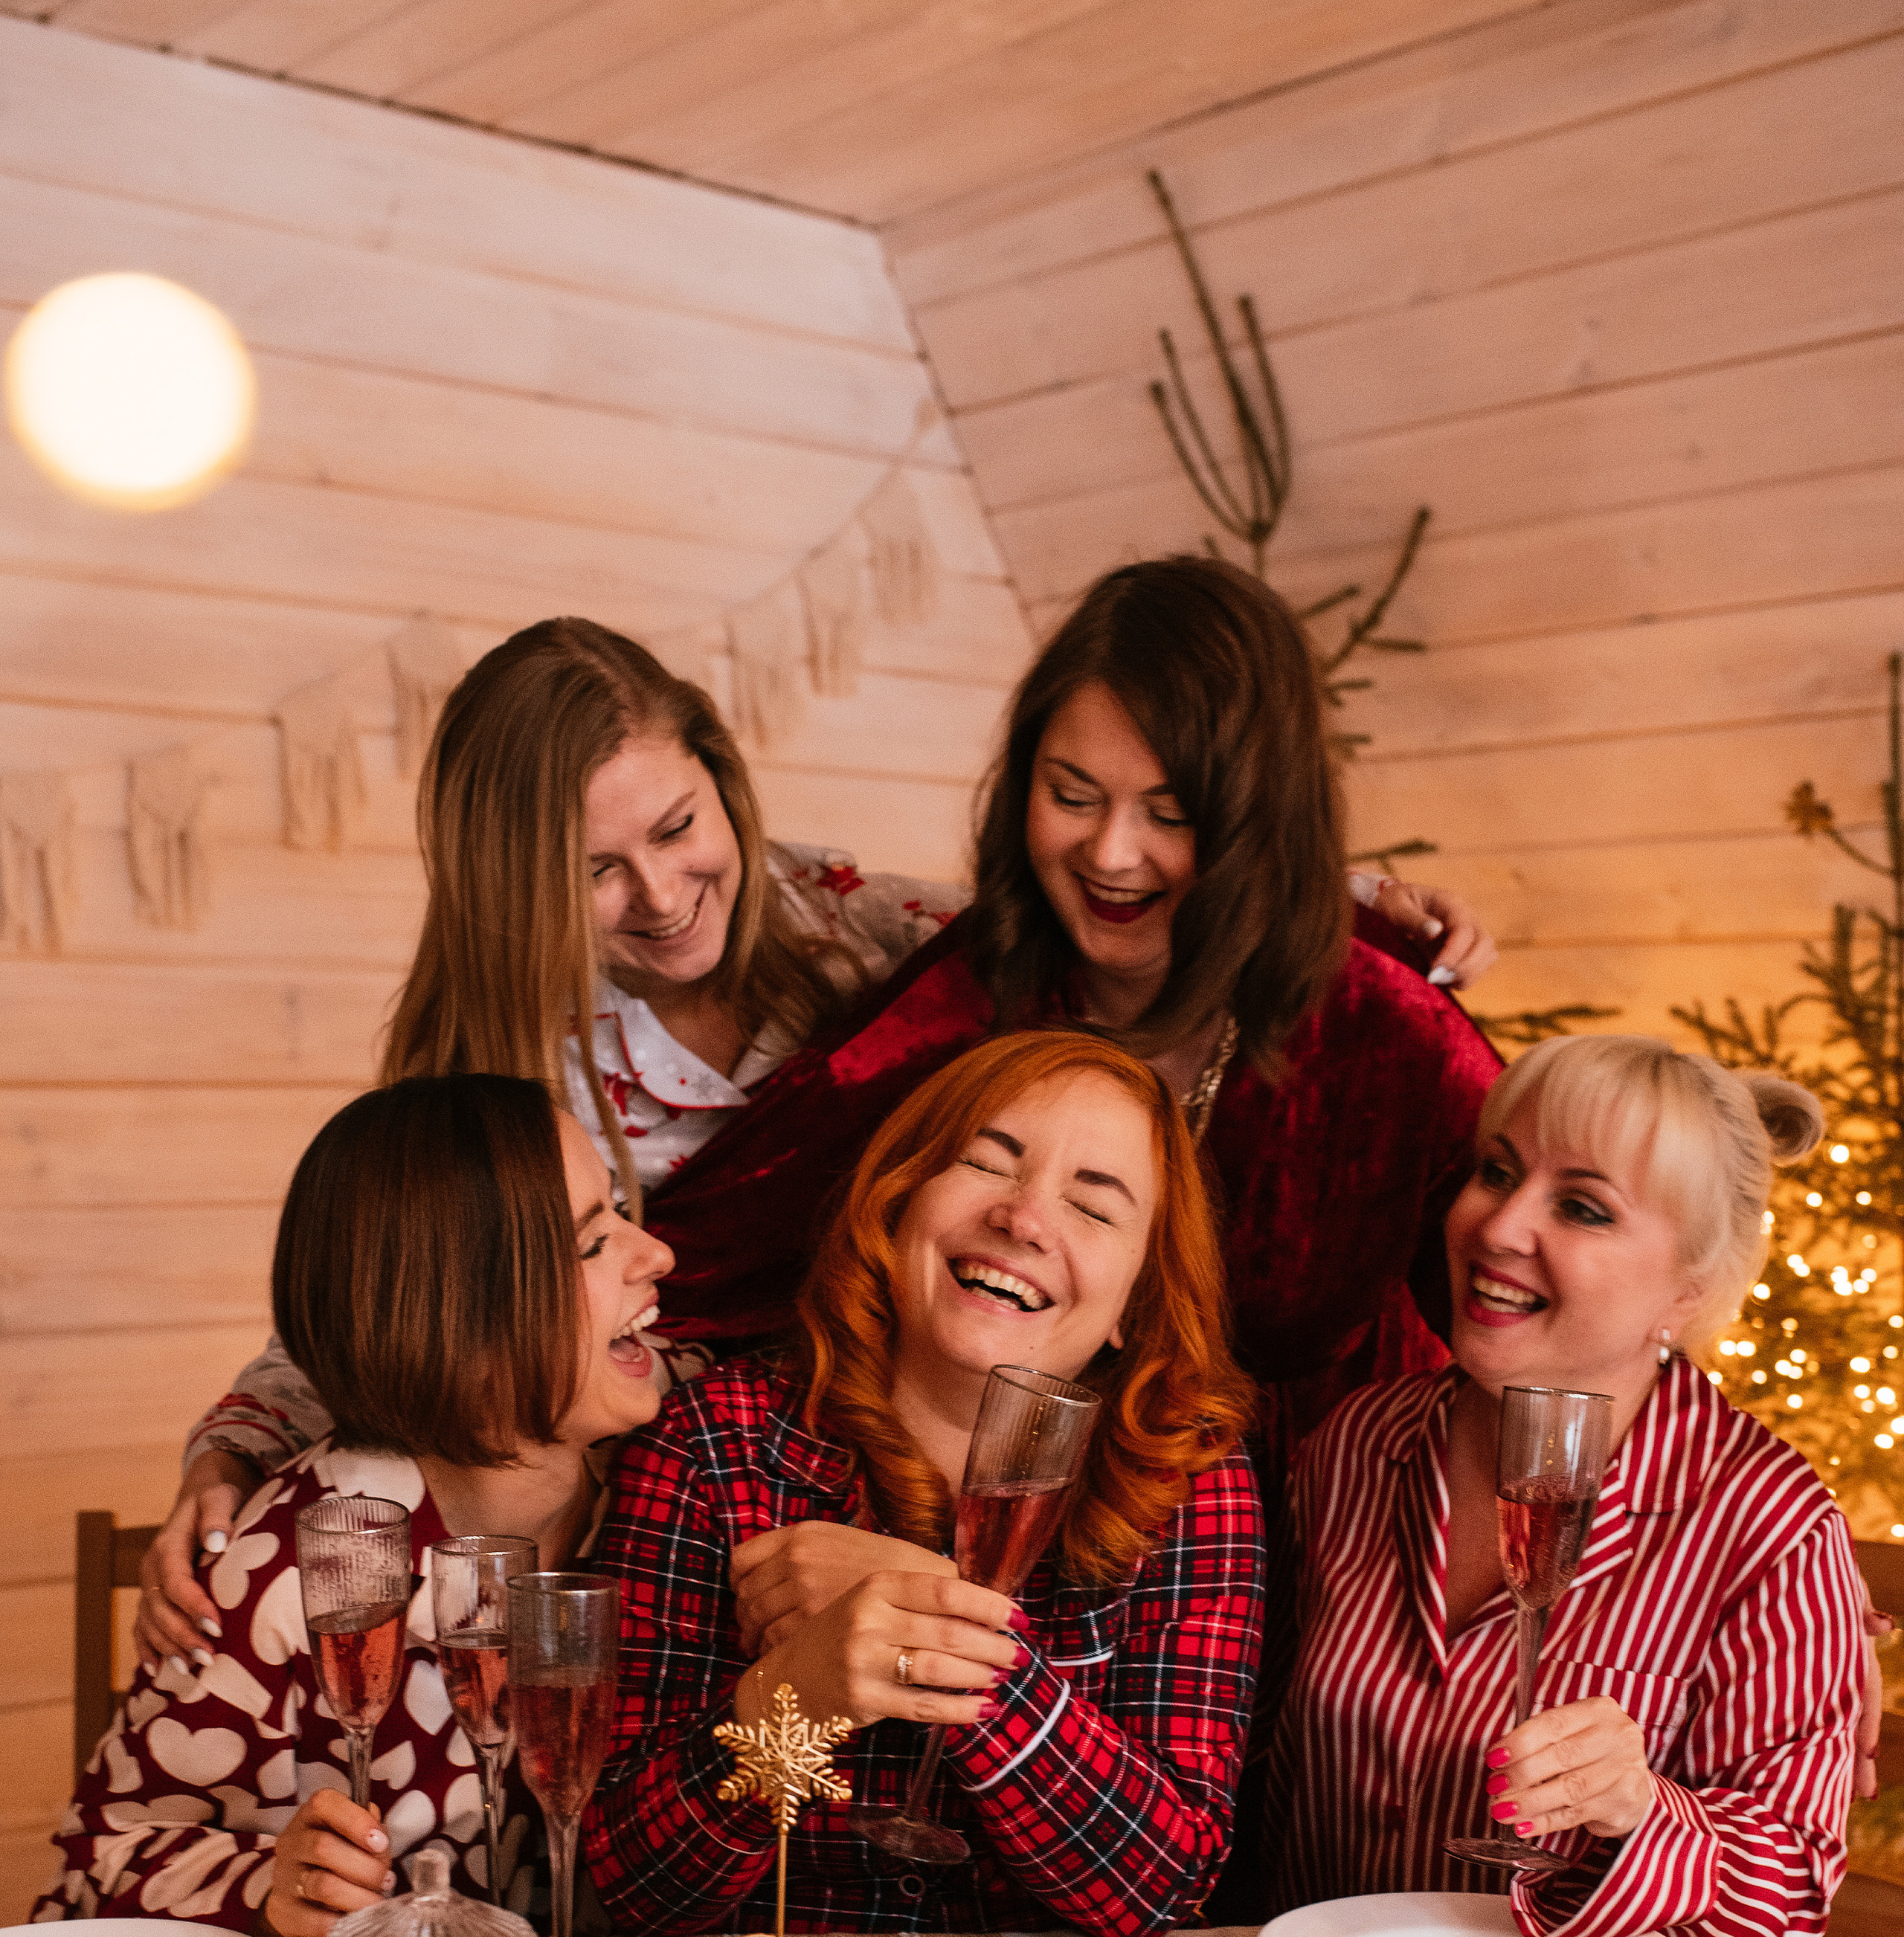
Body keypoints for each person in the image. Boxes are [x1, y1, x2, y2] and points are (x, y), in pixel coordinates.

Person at [135, 591, 1494, 1663]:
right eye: (594, 870)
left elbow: (1101, 905)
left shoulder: (867, 934)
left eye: (678, 828)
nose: (663, 894)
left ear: (725, 781)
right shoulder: (498, 1059)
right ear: (518, 883)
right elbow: (392, 1297)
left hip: (940, 1489)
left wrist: (1338, 896)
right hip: (650, 1525)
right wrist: (238, 1445)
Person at [637, 555, 1502, 1483]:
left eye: (1168, 813)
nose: (1111, 853)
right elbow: (707, 1251)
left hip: (1340, 1544)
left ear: (1257, 822)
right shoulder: (968, 993)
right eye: (1072, 796)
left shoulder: (1393, 1030)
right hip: (1013, 1545)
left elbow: (1558, 1284)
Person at [582, 1029, 1264, 1937]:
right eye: (987, 1163)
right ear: (898, 1203)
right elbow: (634, 1885)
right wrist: (798, 1692)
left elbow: (1161, 1889)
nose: (1024, 1219)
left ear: (1133, 1308)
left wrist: (935, 1631)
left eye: (1094, 1208)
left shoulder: (1188, 1480)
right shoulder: (716, 1443)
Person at [1263, 1034, 1868, 1937]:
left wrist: (1638, 1809)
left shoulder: (1769, 1527)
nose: (1499, 1228)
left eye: (1581, 1208)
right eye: (1496, 1172)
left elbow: (1788, 1898)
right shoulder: (1353, 1446)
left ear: (1690, 1288)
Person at [39, 1076, 670, 1937]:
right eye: (594, 1244)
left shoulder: (692, 1480)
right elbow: (103, 1859)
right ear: (459, 1323)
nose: (658, 1255)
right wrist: (270, 1883)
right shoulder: (296, 1565)